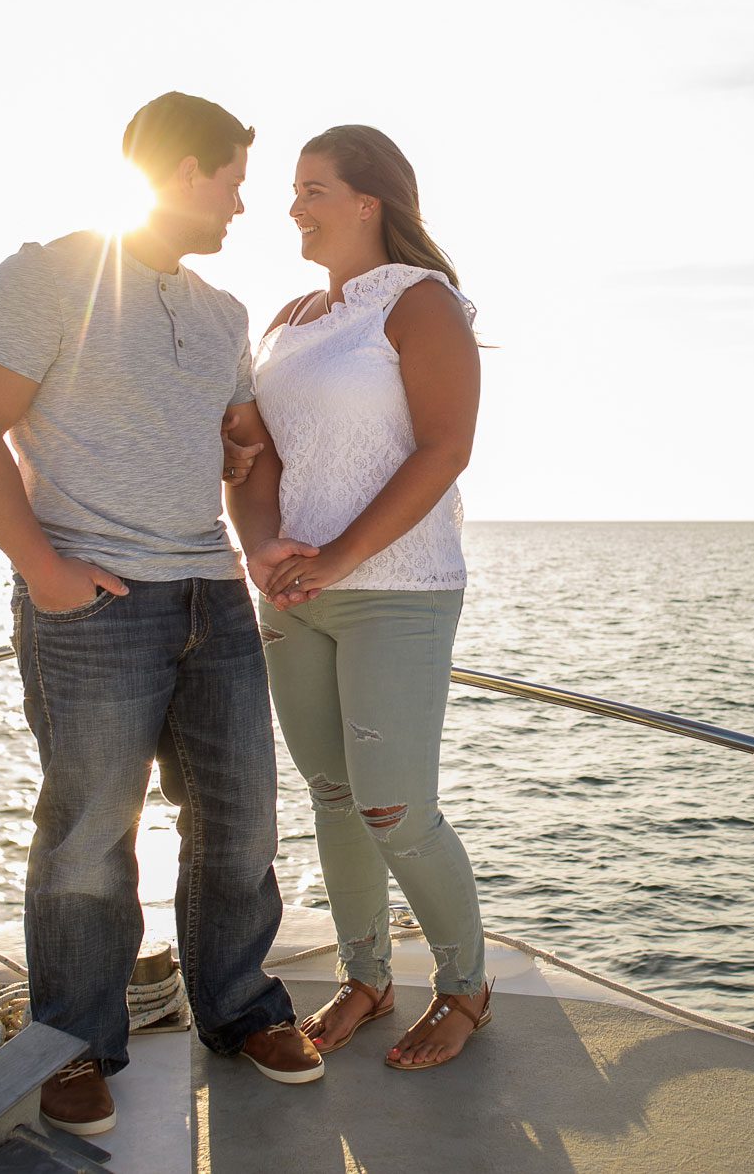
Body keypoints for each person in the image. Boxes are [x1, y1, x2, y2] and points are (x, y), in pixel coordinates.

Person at [0, 92, 325, 1136]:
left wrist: (256, 531)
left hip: (213, 595)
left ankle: (241, 1008)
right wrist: (42, 569)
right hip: (94, 601)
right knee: (85, 839)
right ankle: (72, 1040)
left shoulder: (219, 315)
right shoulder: (43, 277)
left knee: (241, 821)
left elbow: (245, 448)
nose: (243, 205)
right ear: (188, 170)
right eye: (236, 182)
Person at [243, 124, 490, 1071]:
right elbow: (256, 454)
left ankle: (466, 986)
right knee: (335, 795)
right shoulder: (292, 318)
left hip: (398, 591)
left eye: (313, 189)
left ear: (366, 201)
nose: (294, 207)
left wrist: (340, 557)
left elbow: (445, 449)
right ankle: (367, 975)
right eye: (292, 190)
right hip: (294, 593)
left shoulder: (422, 304)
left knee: (395, 806)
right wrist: (263, 546)